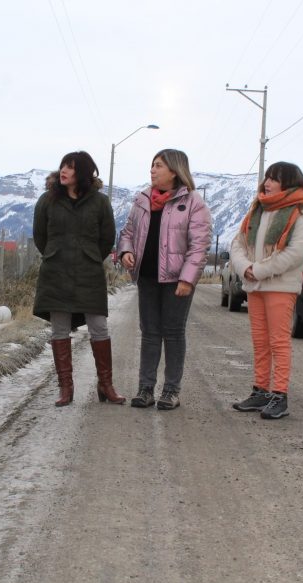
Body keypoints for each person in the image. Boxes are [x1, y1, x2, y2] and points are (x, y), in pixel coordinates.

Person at [117, 149, 212, 410]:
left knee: (172, 333)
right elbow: (127, 231)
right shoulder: (142, 199)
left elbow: (199, 246)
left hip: (176, 280)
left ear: (174, 170)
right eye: (152, 165)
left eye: (158, 165)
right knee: (149, 333)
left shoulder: (193, 202)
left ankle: (171, 391)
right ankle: (145, 389)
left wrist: (188, 279)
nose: (153, 170)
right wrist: (126, 250)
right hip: (146, 276)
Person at [32, 151, 125, 407]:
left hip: (89, 274)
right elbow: (40, 236)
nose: (63, 171)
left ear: (82, 173)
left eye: (70, 167)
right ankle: (65, 389)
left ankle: (106, 385)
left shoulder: (99, 203)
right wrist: (55, 254)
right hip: (55, 273)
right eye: (63, 165)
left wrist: (90, 256)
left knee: (99, 328)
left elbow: (107, 239)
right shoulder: (47, 200)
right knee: (59, 329)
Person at [230, 162, 303, 419]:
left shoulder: (301, 213)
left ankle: (280, 395)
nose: (267, 182)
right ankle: (261, 391)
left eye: (274, 178)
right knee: (260, 341)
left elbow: (296, 253)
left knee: (278, 342)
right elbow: (238, 243)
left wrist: (258, 270)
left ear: (289, 182)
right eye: (267, 177)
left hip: (279, 285)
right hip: (254, 284)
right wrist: (245, 267)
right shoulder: (257, 208)